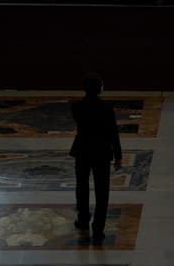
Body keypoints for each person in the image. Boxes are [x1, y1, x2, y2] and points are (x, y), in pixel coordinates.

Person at [70, 74, 122, 246]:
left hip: (82, 151)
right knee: (102, 192)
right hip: (101, 152)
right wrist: (118, 156)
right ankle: (98, 229)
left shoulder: (76, 107)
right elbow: (113, 133)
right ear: (99, 88)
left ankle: (83, 218)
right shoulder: (107, 108)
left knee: (82, 186)